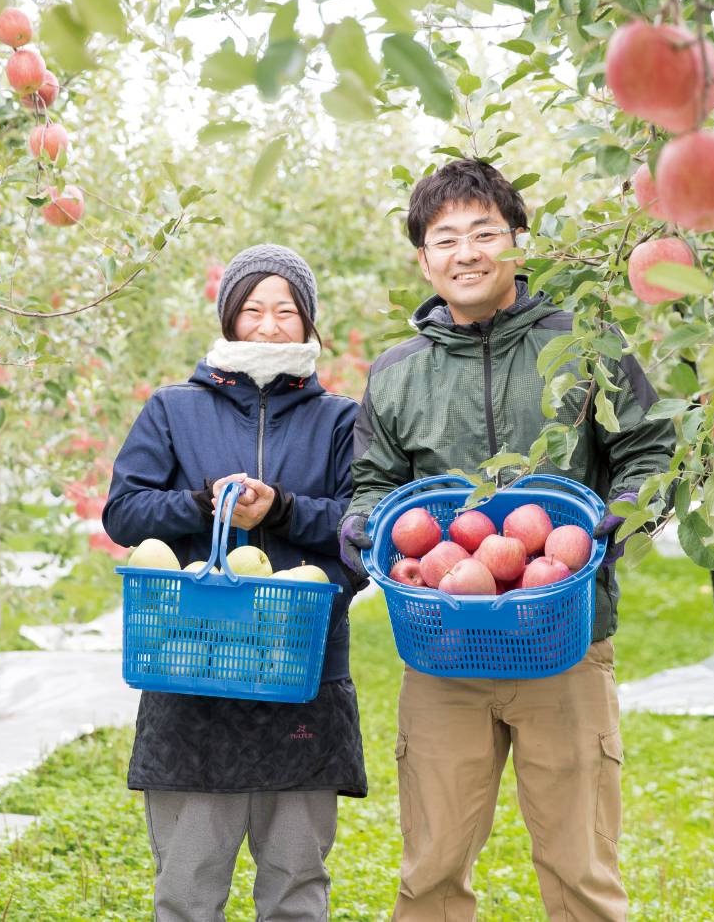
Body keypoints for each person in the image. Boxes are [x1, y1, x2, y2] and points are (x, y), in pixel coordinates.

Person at [338, 159, 676, 922]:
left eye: (485, 232)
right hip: (441, 647)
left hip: (562, 638)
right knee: (431, 866)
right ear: (423, 259)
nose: (467, 252)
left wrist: (626, 506)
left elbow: (649, 447)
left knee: (579, 864)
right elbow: (373, 482)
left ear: (519, 241)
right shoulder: (397, 374)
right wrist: (362, 526)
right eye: (445, 237)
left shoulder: (584, 342)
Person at [103, 243, 368, 922]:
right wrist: (201, 503)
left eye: (286, 310)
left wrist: (279, 508)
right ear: (227, 317)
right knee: (188, 886)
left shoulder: (340, 419)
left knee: (295, 883)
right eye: (252, 308)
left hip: (301, 669)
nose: (269, 324)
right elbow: (124, 511)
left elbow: (361, 531)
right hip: (191, 667)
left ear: (307, 323)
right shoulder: (171, 409)